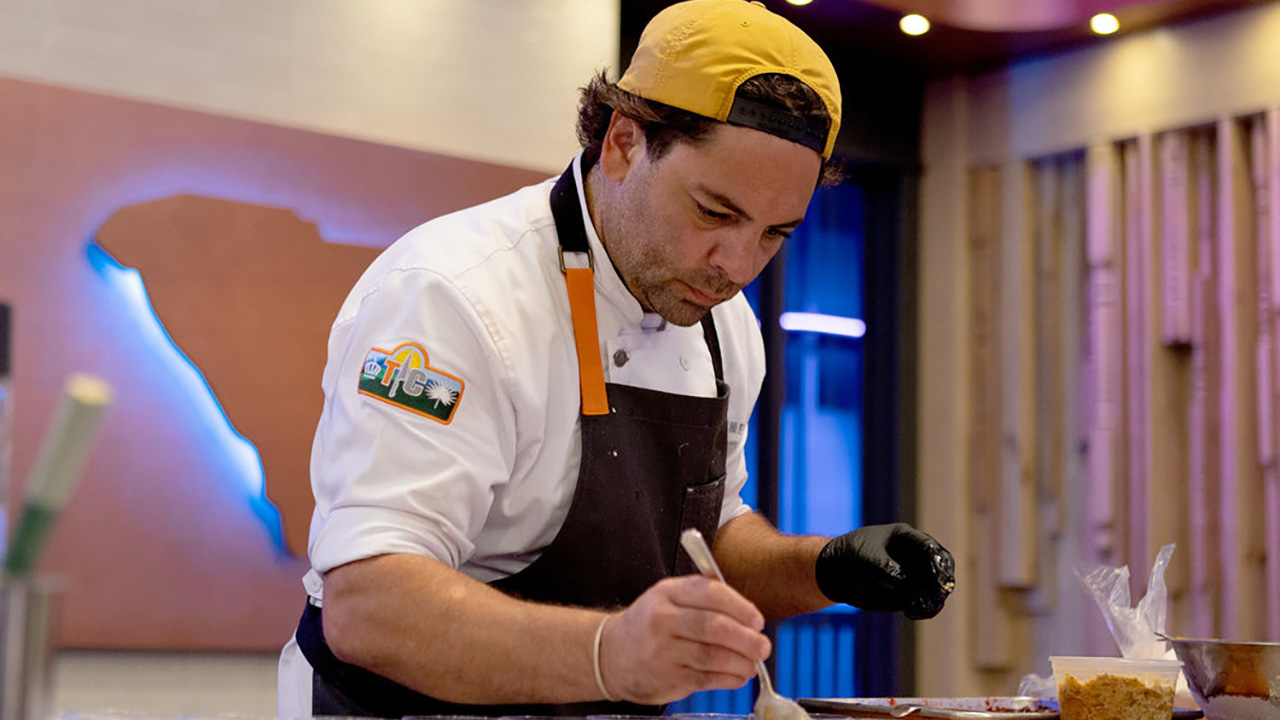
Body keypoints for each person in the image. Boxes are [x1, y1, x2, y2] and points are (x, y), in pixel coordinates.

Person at [277, 0, 955, 717]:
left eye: (774, 234)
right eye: (714, 213)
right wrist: (611, 653)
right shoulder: (452, 294)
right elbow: (368, 604)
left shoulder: (726, 325)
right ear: (624, 143)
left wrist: (827, 567)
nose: (737, 265)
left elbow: (708, 541)